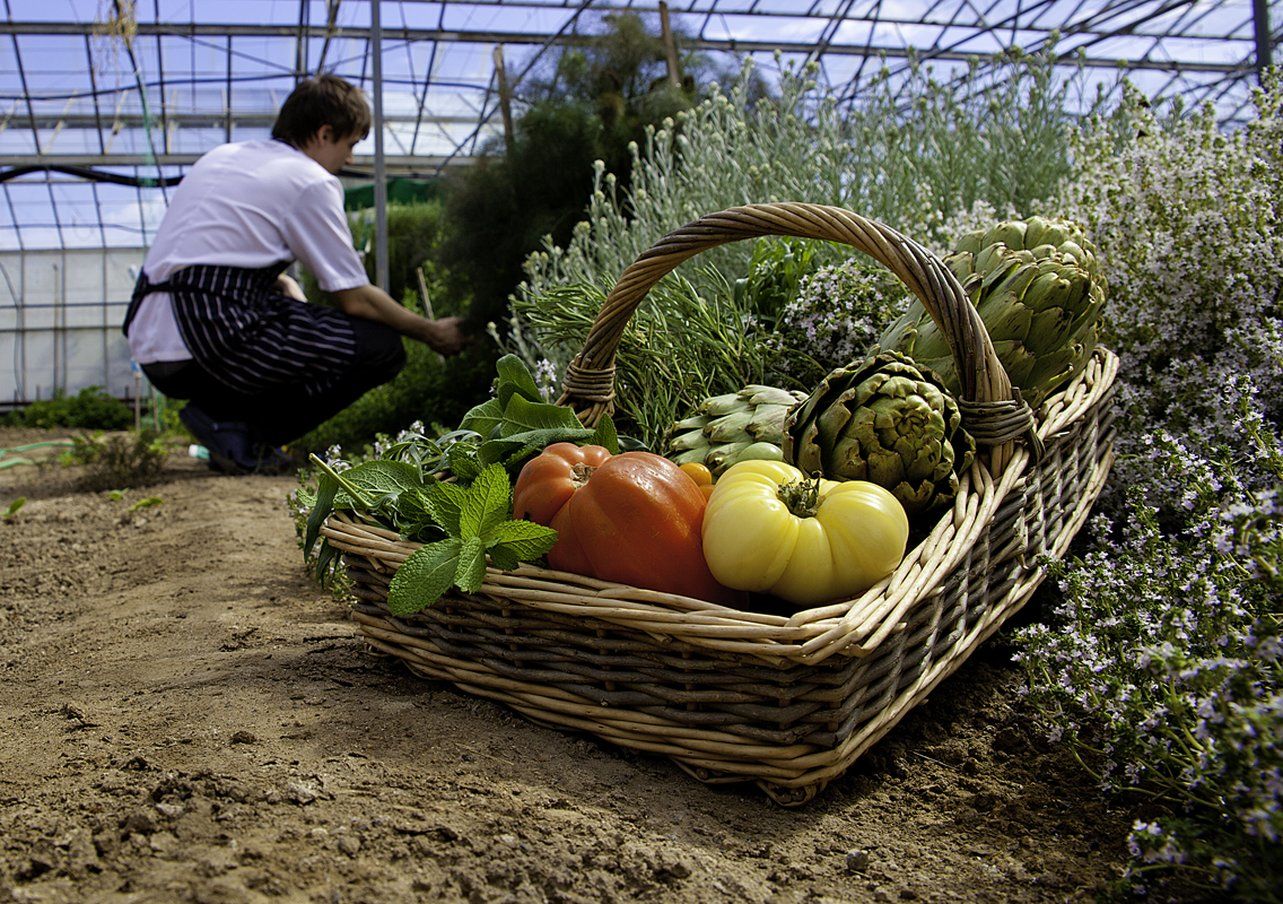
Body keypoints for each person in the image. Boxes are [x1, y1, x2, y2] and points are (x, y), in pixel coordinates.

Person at [123, 73, 466, 474]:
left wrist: (280, 280)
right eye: (351, 143)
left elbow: (212, 253)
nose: (351, 159)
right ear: (324, 133)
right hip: (209, 339)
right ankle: (244, 435)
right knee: (380, 347)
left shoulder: (225, 156)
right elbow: (353, 297)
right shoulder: (309, 180)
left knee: (297, 315)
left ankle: (223, 421)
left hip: (152, 341)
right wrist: (430, 332)